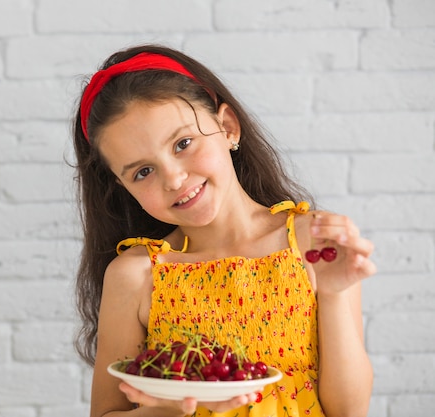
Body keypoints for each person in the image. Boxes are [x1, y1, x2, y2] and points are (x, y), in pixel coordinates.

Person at [72, 44, 376, 417]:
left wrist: (332, 293)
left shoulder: (314, 243)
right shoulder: (135, 275)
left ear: (228, 127)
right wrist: (168, 407)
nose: (174, 178)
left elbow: (349, 411)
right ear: (124, 186)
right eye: (143, 172)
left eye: (183, 144)